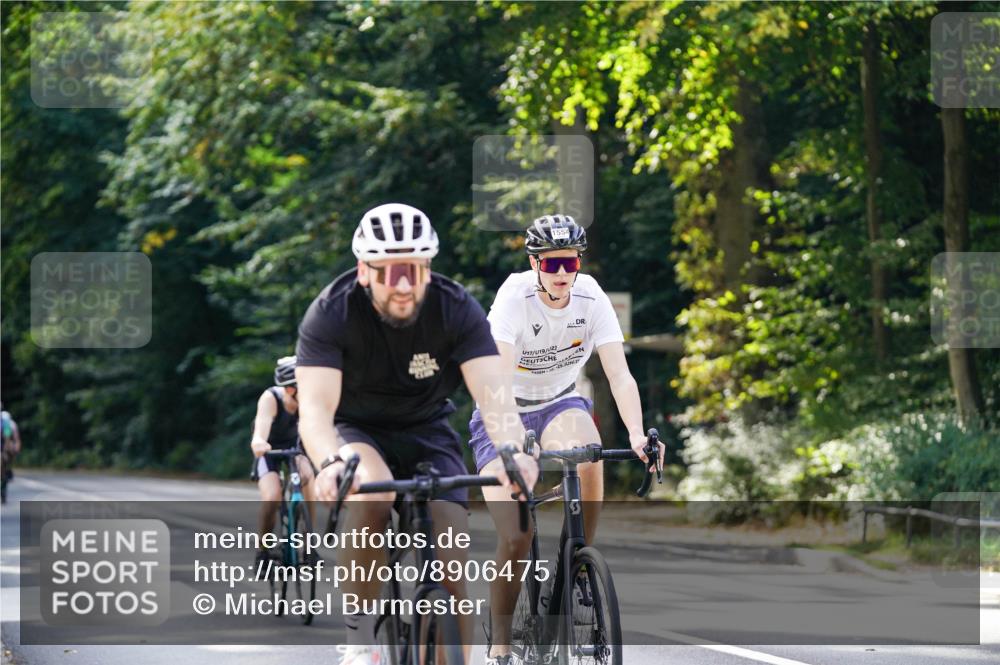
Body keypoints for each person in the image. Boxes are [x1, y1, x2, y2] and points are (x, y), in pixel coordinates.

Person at [294, 203, 538, 665]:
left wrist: (512, 449)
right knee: (371, 495)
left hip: (427, 429)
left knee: (452, 561)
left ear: (428, 268)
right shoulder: (330, 313)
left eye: (414, 270)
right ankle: (360, 638)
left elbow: (494, 397)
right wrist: (329, 462)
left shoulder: (455, 307)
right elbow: (315, 412)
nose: (403, 286)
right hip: (356, 429)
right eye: (390, 272)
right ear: (364, 271)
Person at [468, 214, 665, 665]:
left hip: (559, 400)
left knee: (590, 456)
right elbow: (495, 375)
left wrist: (637, 434)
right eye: (552, 264)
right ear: (535, 262)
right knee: (516, 534)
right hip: (504, 408)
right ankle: (500, 642)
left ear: (579, 263)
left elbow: (619, 373)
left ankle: (577, 563)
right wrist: (514, 439)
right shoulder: (513, 298)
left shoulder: (591, 297)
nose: (561, 274)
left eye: (569, 264)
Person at [249, 356, 315, 565]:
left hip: (296, 449)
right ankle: (263, 552)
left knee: (307, 478)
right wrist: (259, 442)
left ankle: (308, 546)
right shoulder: (270, 399)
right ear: (289, 389)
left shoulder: (310, 403)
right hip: (269, 452)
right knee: (272, 496)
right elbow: (261, 428)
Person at [1, 402, 21, 504]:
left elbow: (9, 438)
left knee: (4, 459)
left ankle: (7, 471)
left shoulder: (7, 424)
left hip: (3, 445)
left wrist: (6, 451)